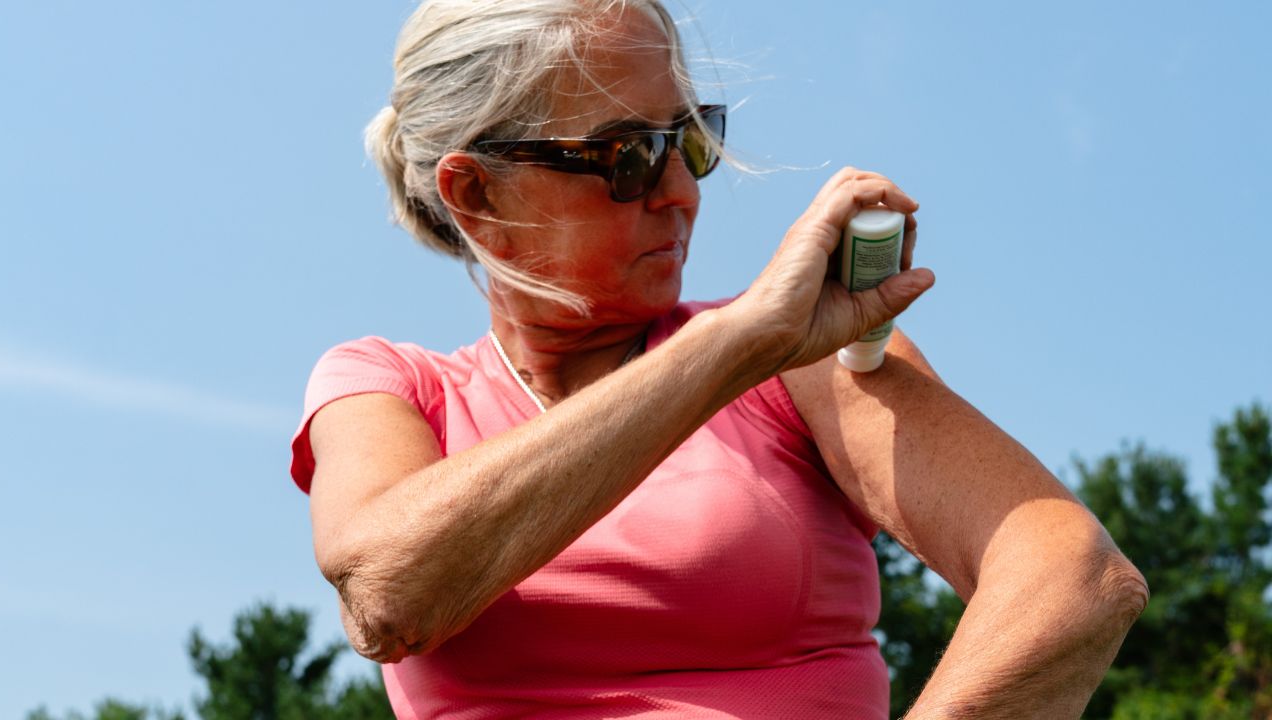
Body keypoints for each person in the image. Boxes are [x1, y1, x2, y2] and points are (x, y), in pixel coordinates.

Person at [288, 1, 1148, 717]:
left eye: (691, 138)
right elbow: (389, 594)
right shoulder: (388, 387)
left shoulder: (804, 362)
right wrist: (734, 341)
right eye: (629, 157)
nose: (683, 190)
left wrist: (756, 342)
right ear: (476, 193)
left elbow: (1074, 576)